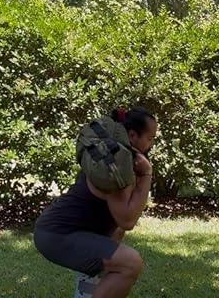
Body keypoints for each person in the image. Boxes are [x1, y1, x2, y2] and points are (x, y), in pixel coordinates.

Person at [34, 106, 157, 298]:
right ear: (132, 135)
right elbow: (127, 220)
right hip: (57, 234)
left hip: (60, 230)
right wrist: (147, 174)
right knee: (130, 263)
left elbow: (120, 226)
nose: (152, 144)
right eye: (150, 138)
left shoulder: (114, 154)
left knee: (115, 233)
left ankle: (86, 291)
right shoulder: (116, 165)